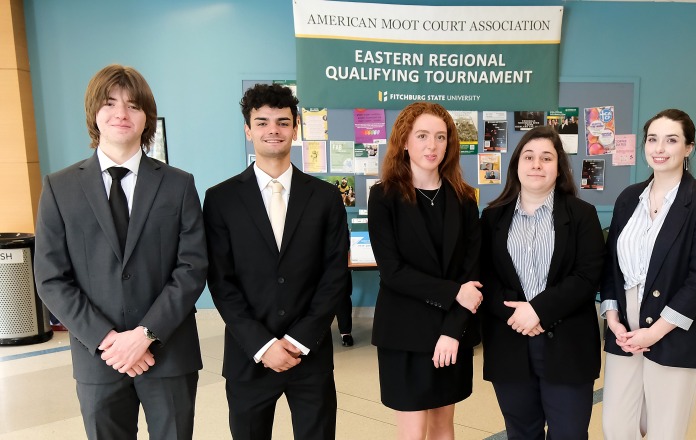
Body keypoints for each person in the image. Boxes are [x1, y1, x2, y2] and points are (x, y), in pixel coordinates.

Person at [34, 64, 207, 440]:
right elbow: (50, 277)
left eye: (133, 105)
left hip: (168, 352)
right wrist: (109, 340)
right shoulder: (59, 187)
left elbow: (192, 267)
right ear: (94, 114)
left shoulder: (178, 185)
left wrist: (145, 334)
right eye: (110, 103)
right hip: (98, 357)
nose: (121, 114)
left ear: (147, 118)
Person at [203, 83, 349, 440]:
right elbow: (221, 282)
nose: (273, 130)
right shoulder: (220, 199)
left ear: (296, 129)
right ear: (248, 129)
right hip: (248, 355)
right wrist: (263, 345)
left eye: (283, 122)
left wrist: (299, 341)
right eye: (263, 121)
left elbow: (334, 274)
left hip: (309, 354)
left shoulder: (325, 197)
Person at [601, 109, 696, 439]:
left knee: (664, 431)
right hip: (624, 328)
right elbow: (611, 265)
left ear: (689, 148)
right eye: (653, 139)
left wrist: (653, 333)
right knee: (616, 426)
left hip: (674, 327)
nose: (660, 148)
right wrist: (612, 319)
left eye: (671, 140)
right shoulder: (629, 198)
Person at [480, 126, 605, 440]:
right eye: (529, 156)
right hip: (510, 343)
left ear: (559, 167)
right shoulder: (492, 217)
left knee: (570, 434)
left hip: (568, 345)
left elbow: (588, 275)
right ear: (517, 165)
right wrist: (517, 315)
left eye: (546, 158)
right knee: (522, 433)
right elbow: (484, 276)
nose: (537, 164)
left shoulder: (582, 215)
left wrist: (538, 311)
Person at [368, 102, 482, 439]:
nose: (432, 145)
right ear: (404, 142)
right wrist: (452, 292)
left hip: (453, 329)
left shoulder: (464, 200)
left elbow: (472, 275)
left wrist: (452, 330)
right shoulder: (383, 196)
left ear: (449, 145)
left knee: (444, 428)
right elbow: (392, 271)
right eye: (422, 136)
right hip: (405, 332)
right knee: (413, 432)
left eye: (440, 137)